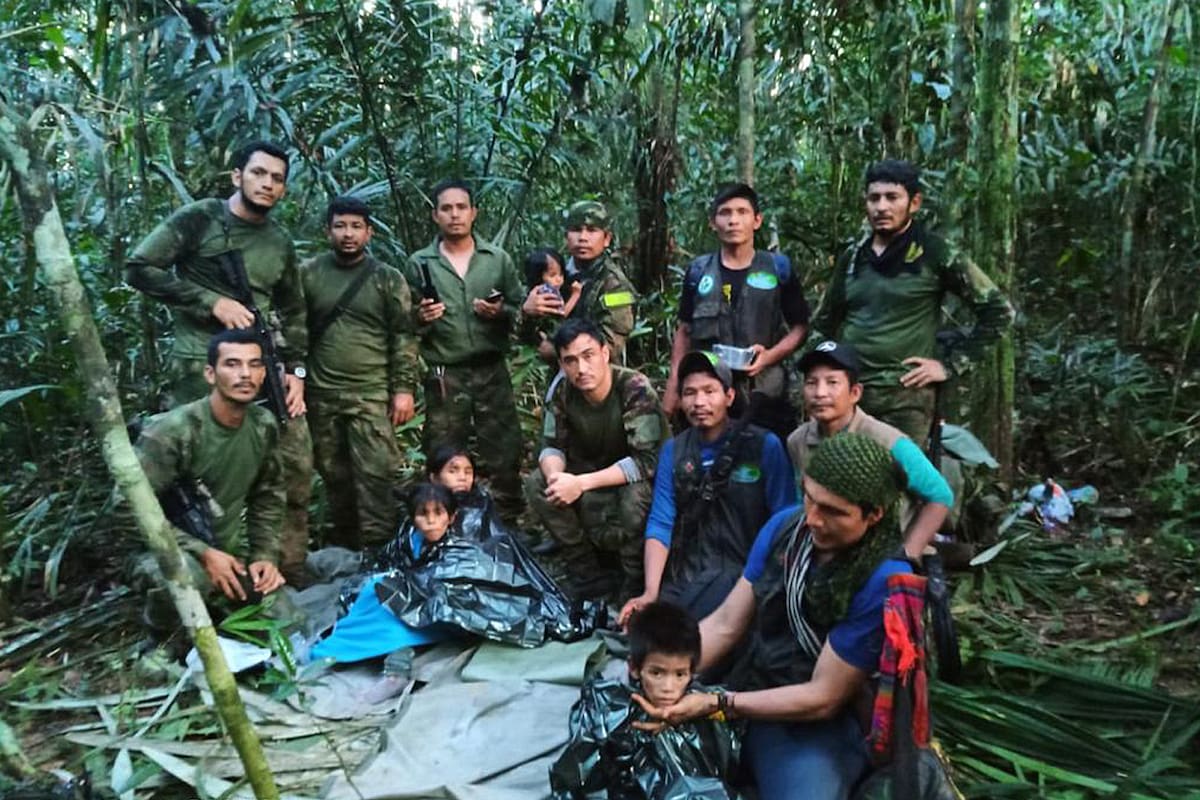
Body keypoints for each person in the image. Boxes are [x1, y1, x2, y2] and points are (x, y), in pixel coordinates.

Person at [632, 433, 913, 800]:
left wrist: (717, 704)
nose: (812, 519)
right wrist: (663, 673)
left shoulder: (882, 580)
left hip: (814, 718)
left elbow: (823, 697)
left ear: (873, 514)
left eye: (832, 510)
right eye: (809, 498)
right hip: (756, 679)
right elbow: (726, 623)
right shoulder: (785, 528)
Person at [126, 140, 314, 585]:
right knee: (196, 473)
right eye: (259, 174)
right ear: (237, 176)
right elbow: (139, 267)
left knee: (292, 463)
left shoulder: (279, 243)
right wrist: (210, 302)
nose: (267, 184)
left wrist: (297, 373)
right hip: (200, 367)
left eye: (277, 179)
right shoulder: (201, 219)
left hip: (264, 366)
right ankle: (197, 570)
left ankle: (280, 569)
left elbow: (295, 312)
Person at [810, 159, 1014, 444]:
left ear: (914, 202)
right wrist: (822, 380)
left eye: (892, 197)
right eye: (874, 198)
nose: (881, 207)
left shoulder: (935, 252)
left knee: (899, 482)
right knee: (840, 479)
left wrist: (949, 366)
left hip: (906, 398)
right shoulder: (853, 258)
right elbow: (823, 324)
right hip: (851, 396)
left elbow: (999, 312)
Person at [620, 351, 796, 625]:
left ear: (729, 397)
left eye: (709, 391)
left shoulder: (764, 446)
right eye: (689, 392)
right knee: (648, 630)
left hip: (746, 576)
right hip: (689, 574)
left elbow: (785, 519)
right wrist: (650, 592)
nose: (699, 402)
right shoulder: (674, 451)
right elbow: (661, 521)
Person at [131, 330, 286, 636]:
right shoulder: (172, 432)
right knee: (187, 579)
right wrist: (201, 552)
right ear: (210, 374)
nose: (245, 374)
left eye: (254, 365)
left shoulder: (263, 425)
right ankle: (160, 639)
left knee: (287, 620)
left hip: (225, 552)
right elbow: (128, 512)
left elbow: (268, 496)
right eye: (232, 364)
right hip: (161, 549)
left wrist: (263, 556)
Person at [402, 179, 526, 522]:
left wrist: (499, 313)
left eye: (461, 208)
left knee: (503, 445)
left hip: (491, 367)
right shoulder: (419, 263)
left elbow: (522, 310)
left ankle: (506, 522)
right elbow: (405, 322)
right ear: (435, 215)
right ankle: (443, 520)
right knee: (443, 447)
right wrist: (421, 317)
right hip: (445, 372)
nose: (454, 215)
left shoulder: (496, 260)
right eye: (446, 208)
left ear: (474, 213)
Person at [301, 196, 419, 550]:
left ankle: (379, 550)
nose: (348, 234)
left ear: (369, 233)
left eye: (356, 227)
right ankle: (346, 548)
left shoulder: (386, 278)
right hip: (321, 394)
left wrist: (403, 389)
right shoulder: (307, 274)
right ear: (328, 231)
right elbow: (292, 329)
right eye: (340, 226)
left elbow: (404, 335)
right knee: (335, 477)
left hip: (371, 393)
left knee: (377, 476)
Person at [524, 319, 668, 600]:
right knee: (538, 483)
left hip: (634, 479)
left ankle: (634, 580)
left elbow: (647, 460)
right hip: (587, 473)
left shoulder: (633, 387)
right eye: (570, 361)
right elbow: (551, 445)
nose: (581, 368)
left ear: (604, 353)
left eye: (588, 356)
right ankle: (586, 572)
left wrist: (580, 483)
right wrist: (556, 478)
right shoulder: (563, 391)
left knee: (635, 497)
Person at [549, 601, 741, 800]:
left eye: (680, 675)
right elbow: (579, 777)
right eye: (657, 673)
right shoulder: (609, 713)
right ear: (634, 667)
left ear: (692, 672)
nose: (668, 687)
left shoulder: (705, 707)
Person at [664, 183, 810, 440]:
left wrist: (770, 356)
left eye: (742, 212)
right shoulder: (699, 272)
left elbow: (800, 327)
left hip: (764, 392)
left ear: (757, 221)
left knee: (764, 461)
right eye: (725, 212)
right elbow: (685, 330)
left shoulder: (778, 268)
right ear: (713, 222)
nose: (733, 220)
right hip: (708, 394)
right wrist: (674, 384)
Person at [789, 340, 953, 558]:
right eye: (811, 383)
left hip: (881, 553)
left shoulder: (887, 441)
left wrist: (908, 553)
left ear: (855, 393)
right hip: (826, 547)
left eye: (832, 382)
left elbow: (940, 496)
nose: (820, 393)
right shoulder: (798, 440)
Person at [521, 201, 638, 365]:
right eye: (576, 230)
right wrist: (527, 313)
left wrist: (557, 351)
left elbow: (610, 345)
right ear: (566, 237)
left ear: (606, 239)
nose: (583, 238)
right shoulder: (552, 272)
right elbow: (523, 337)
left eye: (592, 231)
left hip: (597, 380)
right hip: (559, 380)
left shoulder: (616, 287)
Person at [520, 247, 582, 361]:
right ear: (539, 276)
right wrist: (576, 295)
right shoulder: (546, 292)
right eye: (552, 275)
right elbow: (562, 312)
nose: (559, 280)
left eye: (561, 274)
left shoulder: (535, 291)